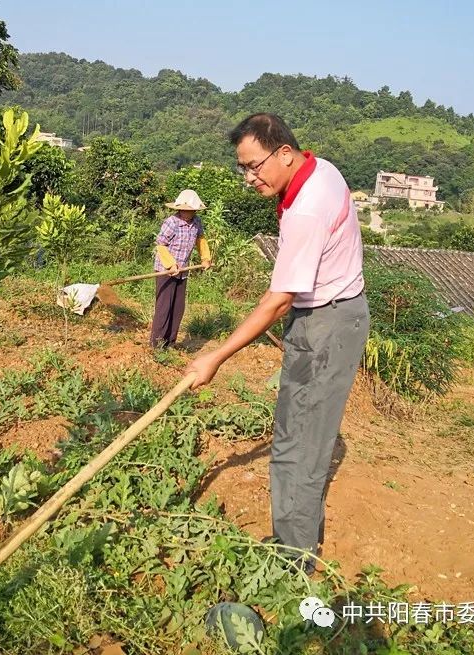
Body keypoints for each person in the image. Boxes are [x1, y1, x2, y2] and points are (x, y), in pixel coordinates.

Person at [185, 113, 369, 574]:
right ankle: (297, 538)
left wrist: (215, 357)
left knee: (297, 445)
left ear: (285, 153)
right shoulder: (319, 167)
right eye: (243, 168)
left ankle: (293, 562)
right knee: (298, 434)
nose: (249, 178)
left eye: (255, 166)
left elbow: (278, 301)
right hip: (335, 313)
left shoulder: (308, 206)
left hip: (325, 325)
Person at [151, 189, 212, 349]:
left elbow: (201, 240)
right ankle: (157, 345)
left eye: (192, 210)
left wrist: (205, 258)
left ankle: (170, 343)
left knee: (178, 308)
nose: (189, 213)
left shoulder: (196, 222)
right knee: (164, 308)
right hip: (166, 270)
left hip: (183, 270)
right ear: (180, 208)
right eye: (186, 210)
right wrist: (170, 264)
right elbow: (161, 244)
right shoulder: (171, 222)